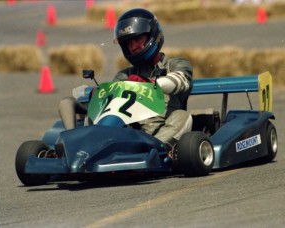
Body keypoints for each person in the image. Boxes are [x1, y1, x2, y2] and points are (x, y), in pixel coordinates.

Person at [59, 8, 193, 152]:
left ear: (152, 36)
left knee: (183, 116)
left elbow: (181, 81)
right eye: (129, 43)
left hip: (160, 132)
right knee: (66, 102)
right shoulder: (125, 75)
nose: (134, 47)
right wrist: (100, 94)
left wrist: (153, 84)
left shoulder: (176, 64)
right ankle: (73, 147)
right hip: (128, 131)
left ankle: (155, 151)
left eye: (137, 39)